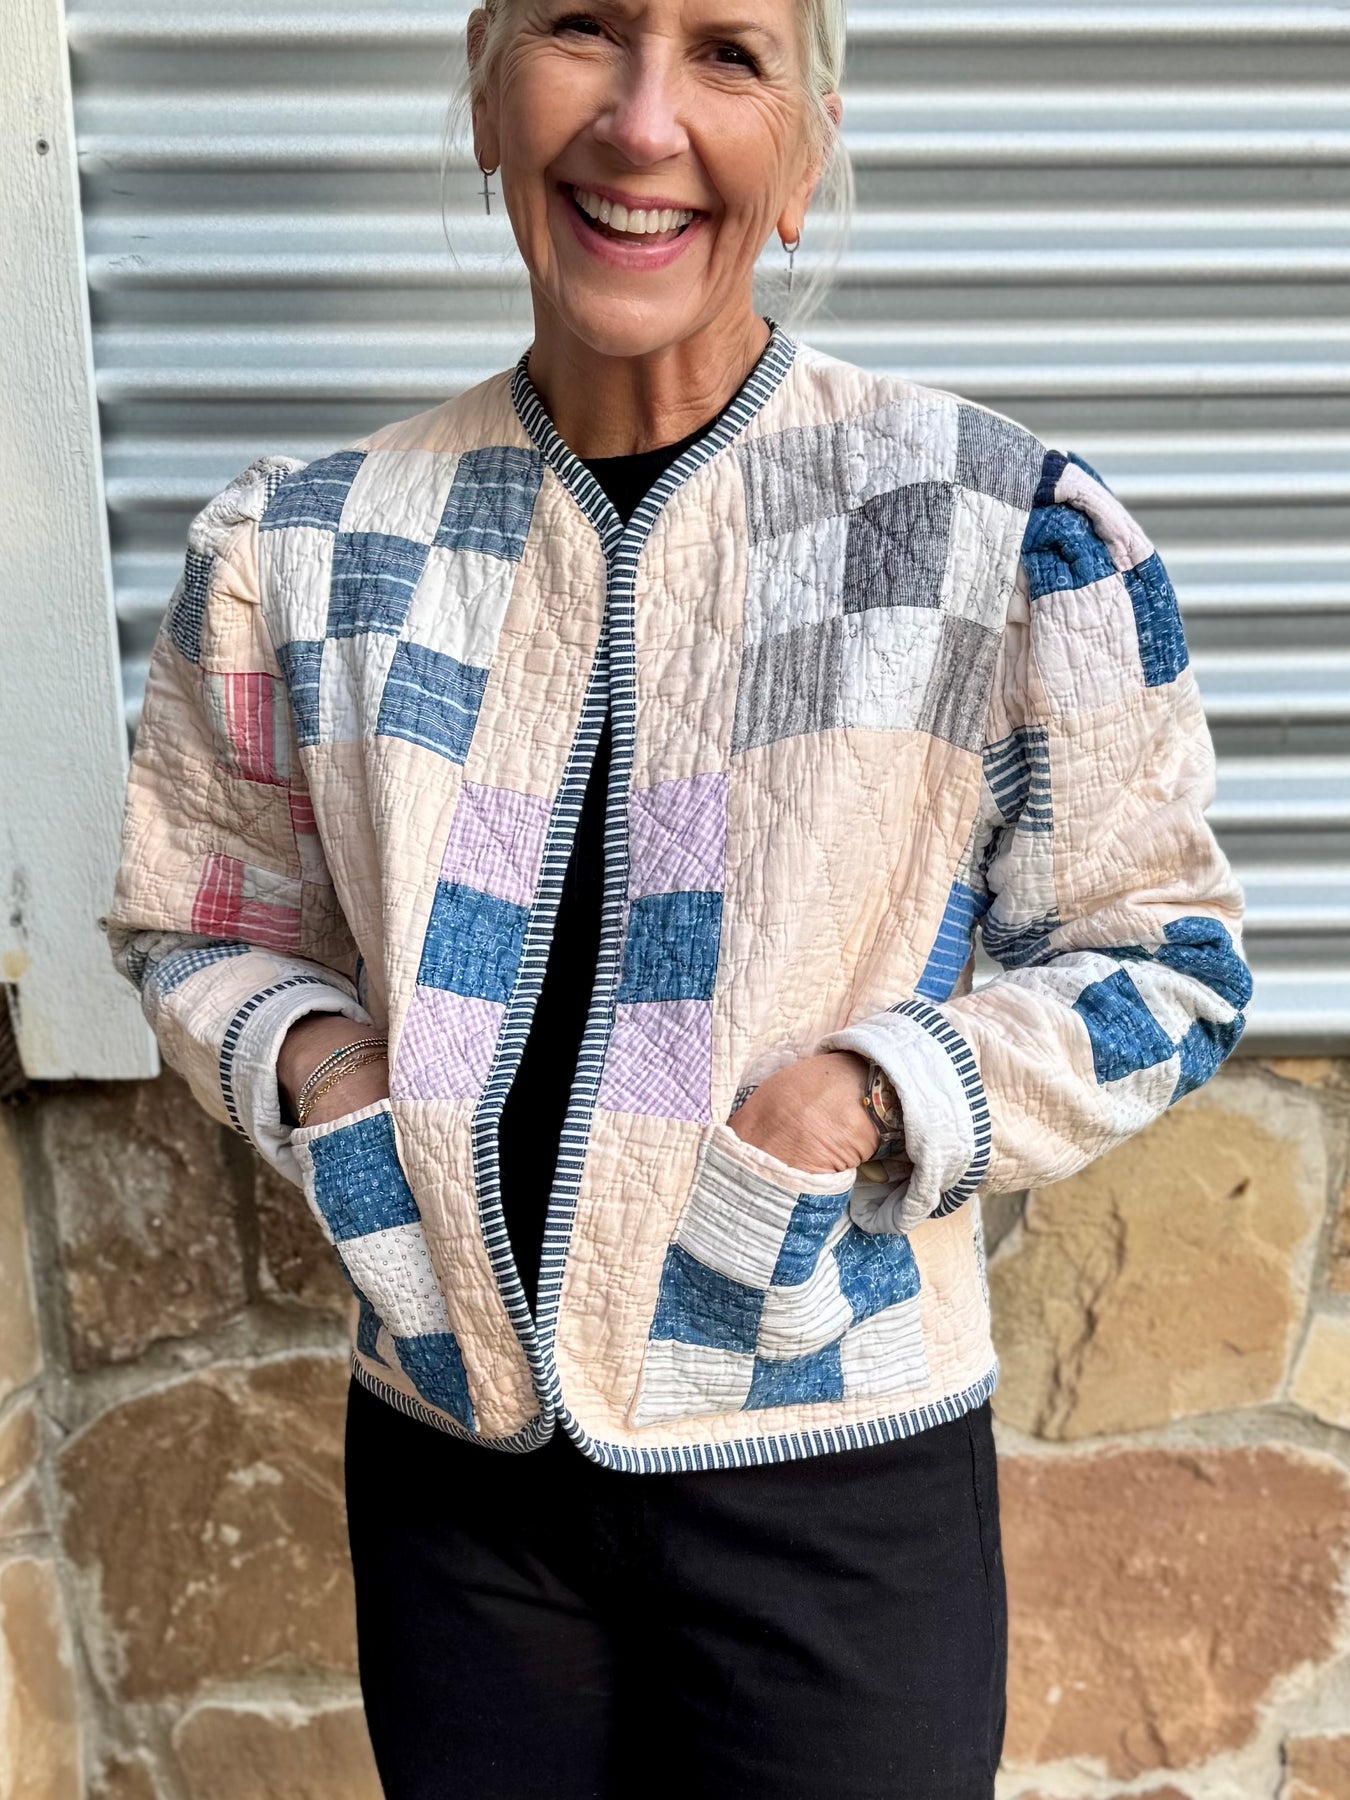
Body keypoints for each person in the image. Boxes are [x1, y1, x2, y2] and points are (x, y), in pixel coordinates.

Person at [105, 0, 1253, 1791]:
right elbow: (197, 918)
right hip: (457, 1472)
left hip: (833, 1466)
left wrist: (862, 1096)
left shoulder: (994, 527)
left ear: (803, 154)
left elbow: (1162, 961)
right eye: (583, 29)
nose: (642, 124)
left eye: (727, 52)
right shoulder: (303, 547)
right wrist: (329, 1077)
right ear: (486, 95)